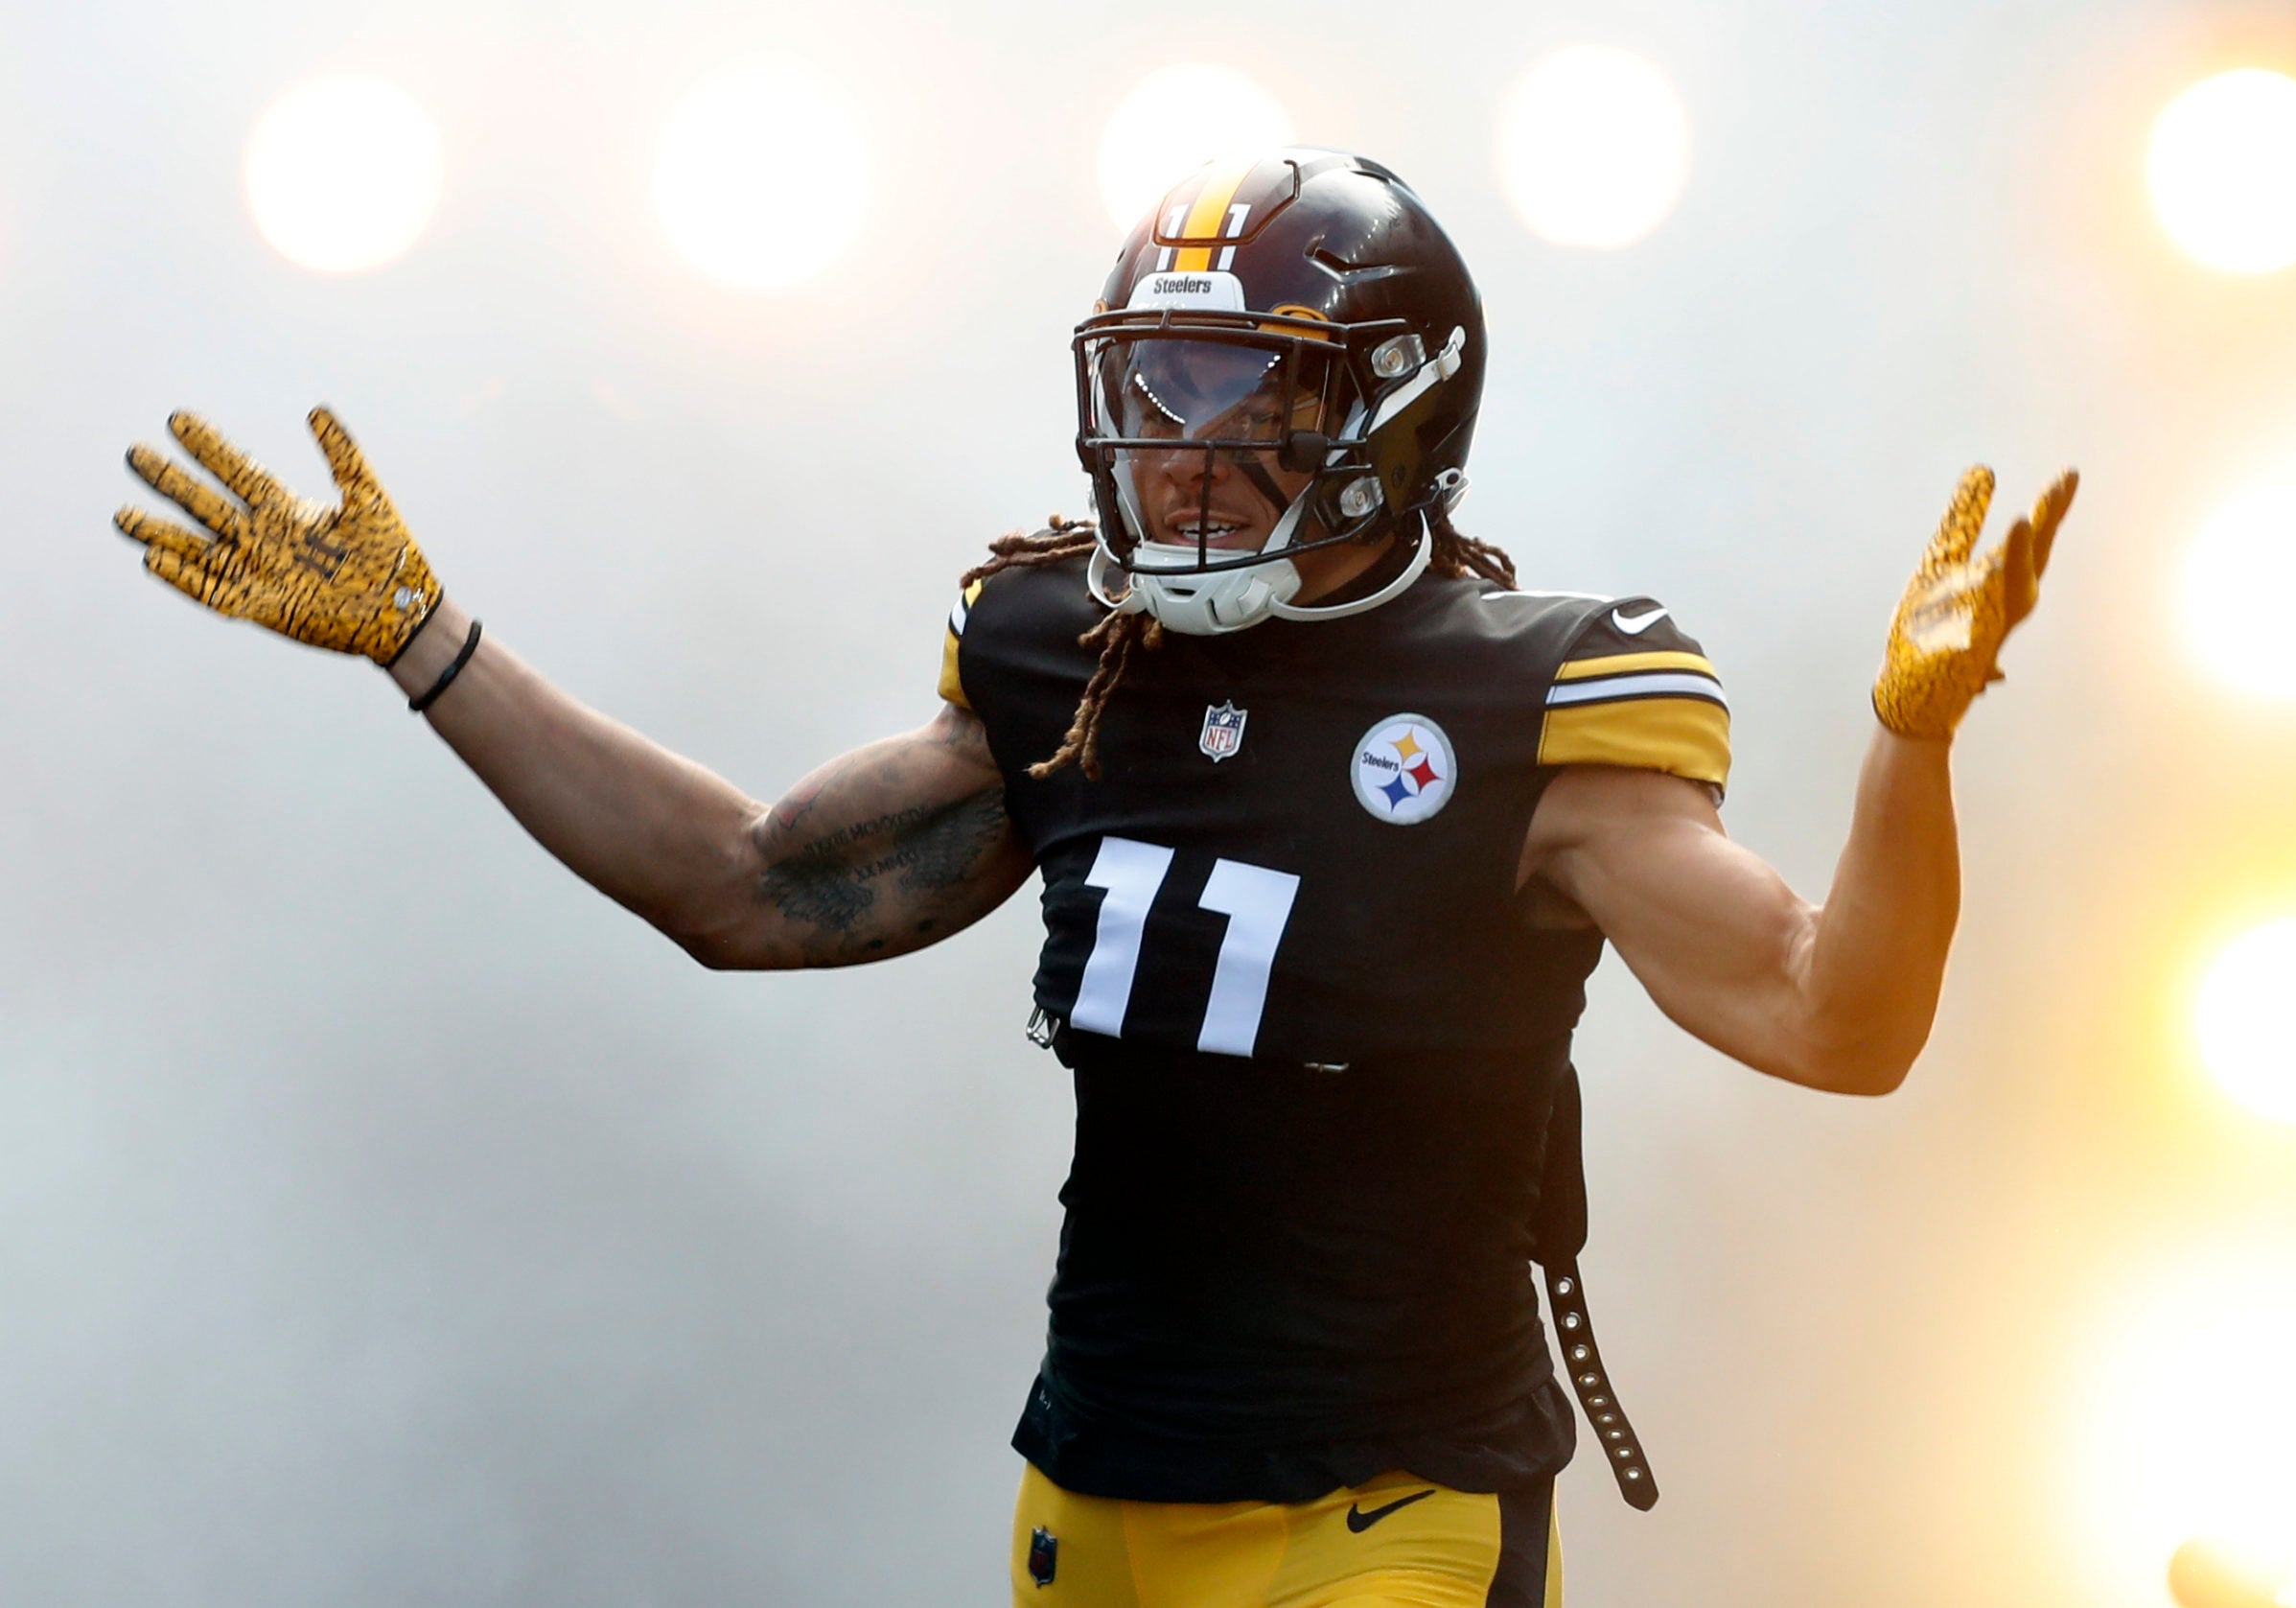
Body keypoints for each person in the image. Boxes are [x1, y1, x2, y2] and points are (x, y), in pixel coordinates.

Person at [113, 149, 2076, 1608]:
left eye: (1253, 395)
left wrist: (1908, 742)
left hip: (1376, 1513)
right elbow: (739, 883)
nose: (1180, 448)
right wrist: (427, 644)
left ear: (1392, 414)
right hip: (1086, 1494)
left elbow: (1836, 1022)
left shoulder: (1532, 696)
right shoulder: (1067, 650)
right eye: (1157, 385)